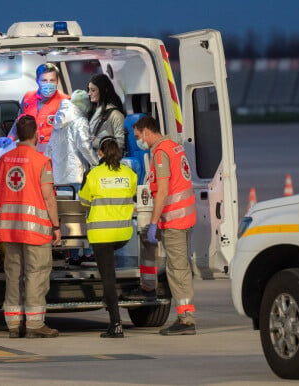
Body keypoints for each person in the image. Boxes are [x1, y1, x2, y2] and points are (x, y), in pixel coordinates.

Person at [0, 114, 62, 339]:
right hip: (35, 231)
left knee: (13, 274)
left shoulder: (4, 160)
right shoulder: (41, 161)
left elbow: (0, 191)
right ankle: (34, 323)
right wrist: (56, 226)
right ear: (36, 135)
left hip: (9, 229)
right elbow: (48, 197)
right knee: (36, 273)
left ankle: (13, 324)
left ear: (17, 136)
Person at [132, 116, 197, 336]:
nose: (139, 141)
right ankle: (185, 316)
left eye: (138, 136)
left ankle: (186, 319)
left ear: (147, 132)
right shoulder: (175, 147)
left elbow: (163, 192)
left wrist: (153, 223)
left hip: (175, 219)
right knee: (180, 267)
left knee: (177, 269)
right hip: (185, 216)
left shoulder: (160, 153)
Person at [78, 136, 137, 338]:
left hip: (101, 234)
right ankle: (108, 299)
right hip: (123, 233)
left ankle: (116, 324)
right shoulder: (130, 174)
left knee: (108, 279)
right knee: (110, 274)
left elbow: (84, 201)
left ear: (101, 154)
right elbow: (131, 195)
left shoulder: (94, 174)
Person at [0, 63, 69, 152]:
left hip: (54, 154)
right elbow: (19, 121)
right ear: (37, 80)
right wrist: (10, 138)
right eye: (44, 80)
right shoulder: (28, 98)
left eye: (52, 80)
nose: (48, 84)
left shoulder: (65, 101)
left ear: (57, 81)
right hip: (30, 151)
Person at [46, 89, 98, 189]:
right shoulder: (81, 121)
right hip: (76, 176)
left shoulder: (57, 122)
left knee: (63, 203)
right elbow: (85, 146)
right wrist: (96, 163)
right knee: (76, 204)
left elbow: (49, 150)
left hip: (57, 178)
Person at [87, 73, 125, 151]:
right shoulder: (91, 112)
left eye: (93, 90)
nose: (89, 93)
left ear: (104, 90)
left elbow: (120, 143)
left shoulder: (116, 115)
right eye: (89, 90)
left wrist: (96, 142)